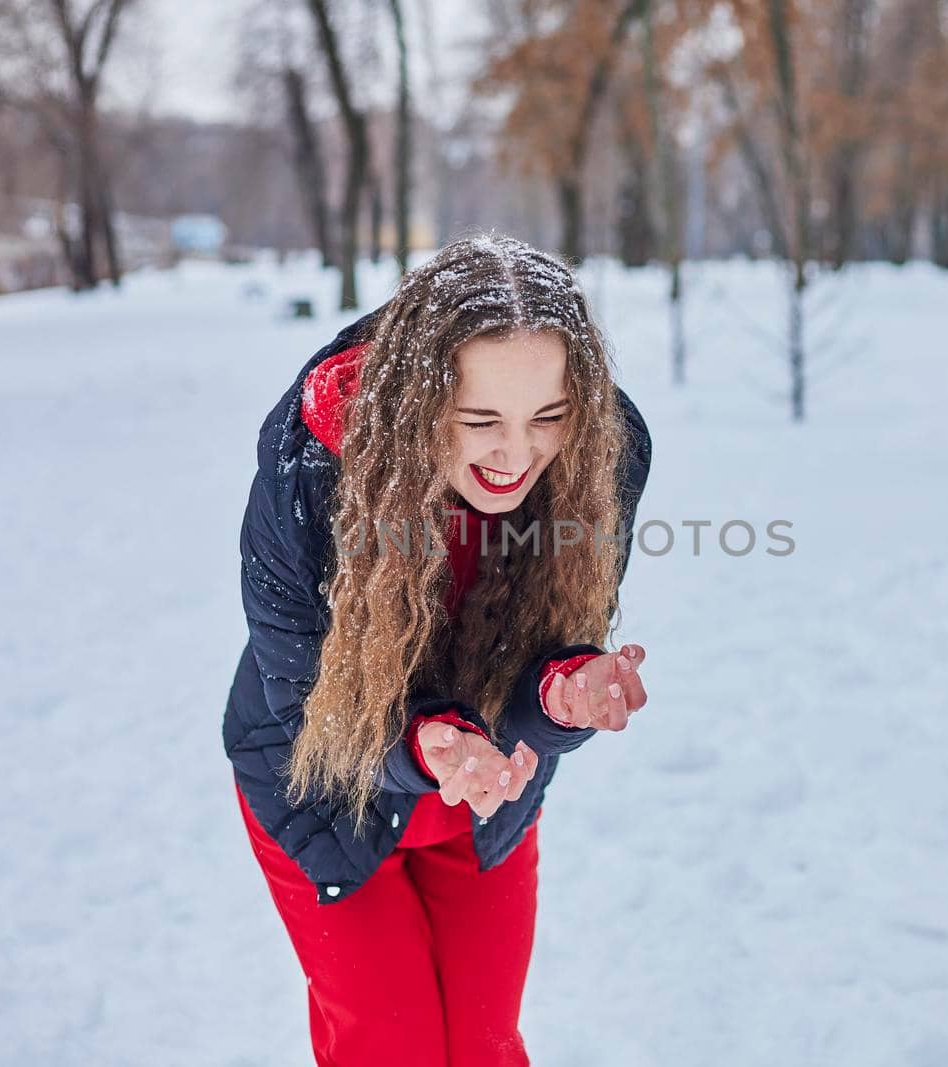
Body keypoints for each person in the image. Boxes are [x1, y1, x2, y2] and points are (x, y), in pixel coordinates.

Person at [222, 233, 654, 1067]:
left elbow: (553, 643)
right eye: (480, 420)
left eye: (549, 417)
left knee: (485, 1048)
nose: (517, 453)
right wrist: (426, 744)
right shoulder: (310, 461)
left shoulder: (605, 453)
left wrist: (565, 692)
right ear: (421, 398)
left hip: (486, 793)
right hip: (324, 786)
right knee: (393, 1048)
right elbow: (303, 688)